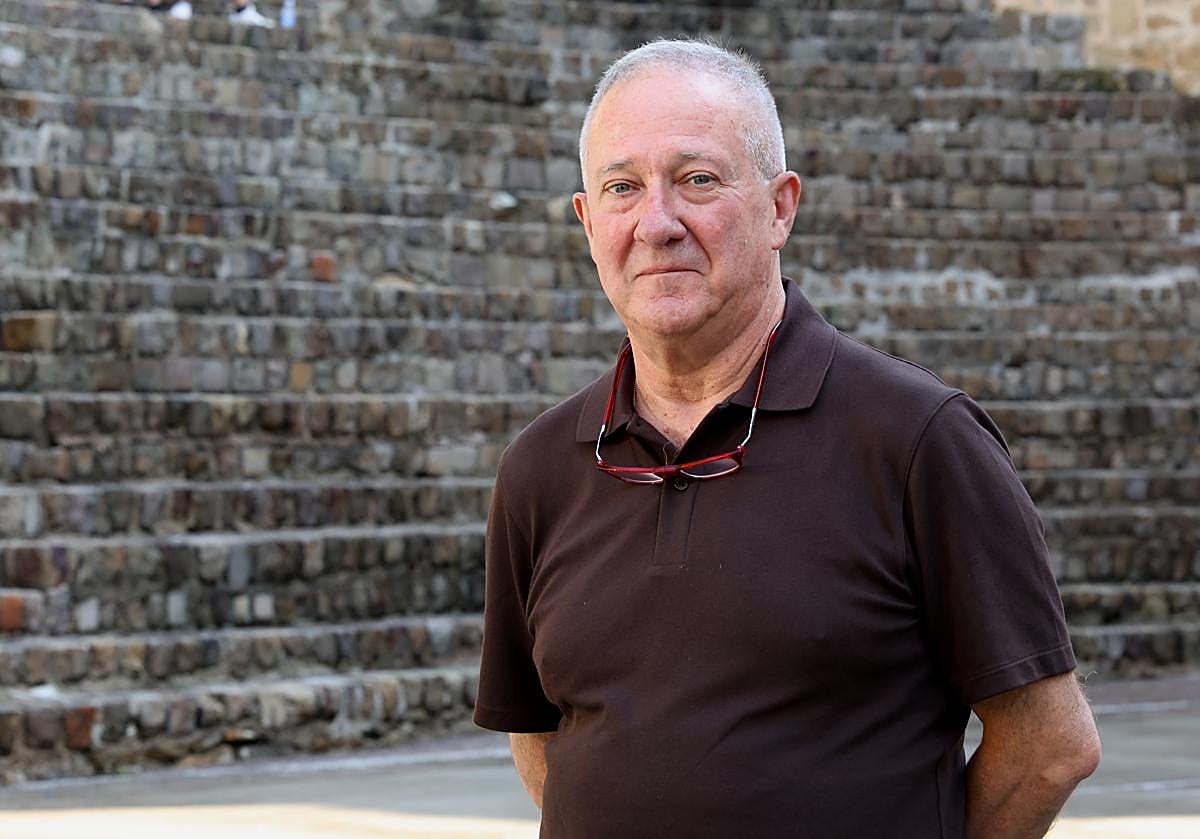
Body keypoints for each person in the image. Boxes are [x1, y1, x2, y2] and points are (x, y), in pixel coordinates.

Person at [474, 38, 1101, 839]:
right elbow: (542, 738)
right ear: (588, 220)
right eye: (623, 188)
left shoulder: (915, 440)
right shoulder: (540, 468)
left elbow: (1051, 744)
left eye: (697, 180)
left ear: (780, 207)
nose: (656, 222)